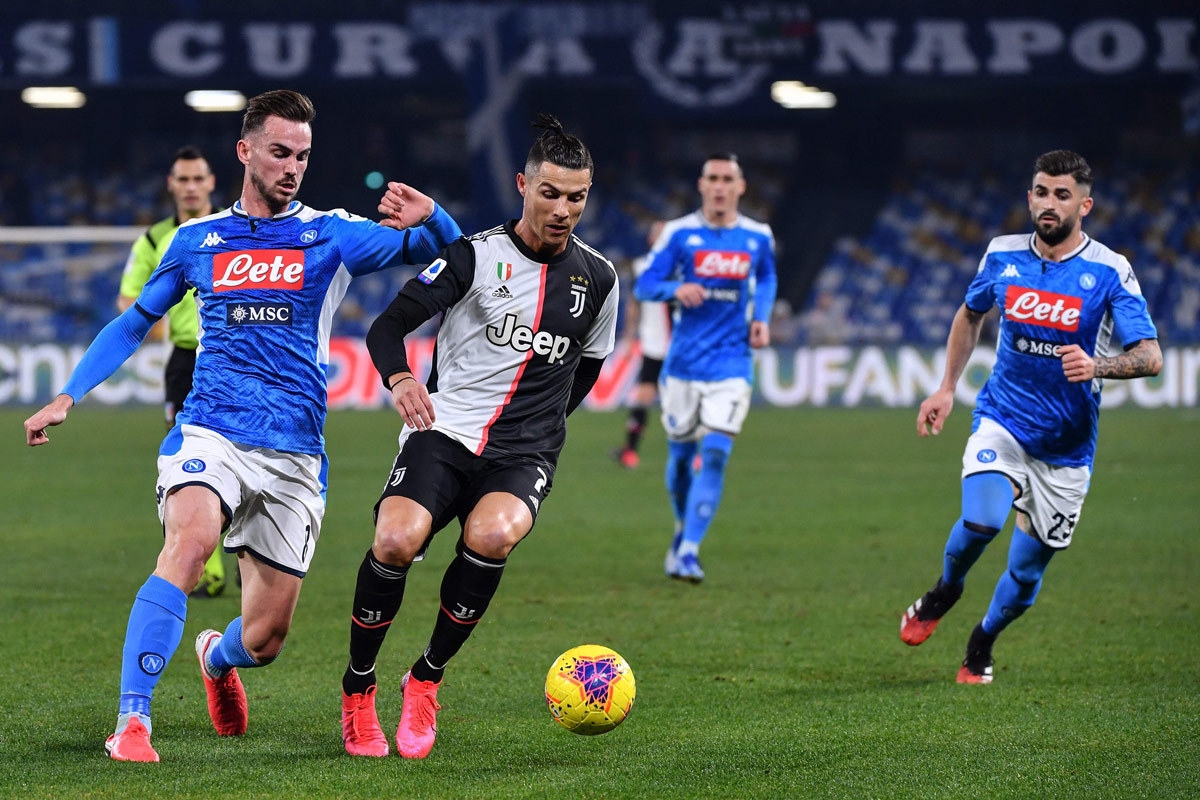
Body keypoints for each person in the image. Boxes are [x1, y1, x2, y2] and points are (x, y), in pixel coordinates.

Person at [23, 89, 463, 762]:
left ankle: (215, 657)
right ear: (245, 151)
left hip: (294, 451)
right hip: (211, 430)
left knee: (264, 640)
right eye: (280, 153)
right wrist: (68, 395)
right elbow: (134, 322)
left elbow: (447, 252)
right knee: (190, 543)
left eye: (303, 156)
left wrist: (432, 216)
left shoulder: (332, 232)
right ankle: (132, 721)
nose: (293, 167)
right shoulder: (197, 240)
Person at [339, 113, 619, 760]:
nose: (563, 210)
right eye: (550, 193)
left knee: (492, 536)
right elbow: (387, 326)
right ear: (523, 185)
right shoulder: (473, 255)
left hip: (523, 452)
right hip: (445, 432)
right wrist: (401, 379)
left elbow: (590, 365)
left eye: (576, 197)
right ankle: (358, 688)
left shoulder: (600, 279)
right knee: (395, 540)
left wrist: (546, 425)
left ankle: (426, 678)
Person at [900, 150, 1162, 684]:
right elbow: (970, 313)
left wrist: (1098, 365)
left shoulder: (1110, 269)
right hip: (1003, 418)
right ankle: (945, 589)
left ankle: (983, 640)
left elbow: (1151, 356)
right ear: (1029, 196)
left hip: (1066, 447)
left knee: (1023, 576)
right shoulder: (1002, 254)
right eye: (1041, 192)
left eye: (1062, 195)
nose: (1049, 203)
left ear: (1084, 206)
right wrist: (947, 387)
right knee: (982, 521)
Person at [634, 154, 777, 583]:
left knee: (714, 453)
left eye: (727, 179)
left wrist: (761, 317)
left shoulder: (758, 236)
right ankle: (682, 528)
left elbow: (767, 278)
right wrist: (676, 288)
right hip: (683, 365)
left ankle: (690, 550)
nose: (719, 186)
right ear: (701, 184)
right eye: (712, 178)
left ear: (740, 187)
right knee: (681, 458)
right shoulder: (679, 233)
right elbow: (645, 285)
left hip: (732, 362)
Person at [118, 145, 229, 598]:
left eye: (198, 179)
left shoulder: (235, 228)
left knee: (247, 452)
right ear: (171, 185)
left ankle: (249, 552)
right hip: (185, 360)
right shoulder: (153, 242)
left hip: (232, 356)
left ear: (211, 183)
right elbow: (128, 300)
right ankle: (209, 568)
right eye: (182, 179)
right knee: (187, 463)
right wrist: (161, 324)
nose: (190, 187)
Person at [614, 219, 669, 470]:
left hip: (681, 345)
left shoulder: (683, 265)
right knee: (644, 395)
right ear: (650, 239)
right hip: (653, 343)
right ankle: (630, 451)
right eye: (658, 234)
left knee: (686, 399)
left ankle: (695, 454)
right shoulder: (641, 266)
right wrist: (629, 336)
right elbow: (634, 305)